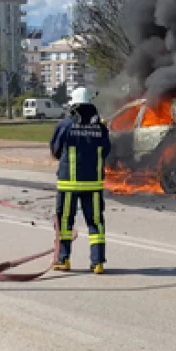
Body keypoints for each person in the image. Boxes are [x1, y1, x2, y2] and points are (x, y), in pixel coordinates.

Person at [49, 87, 111, 274]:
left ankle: (63, 259)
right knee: (96, 222)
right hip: (93, 184)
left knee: (65, 221)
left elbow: (55, 150)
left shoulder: (65, 125)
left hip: (69, 183)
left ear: (73, 106)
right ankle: (97, 262)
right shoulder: (101, 127)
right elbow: (106, 151)